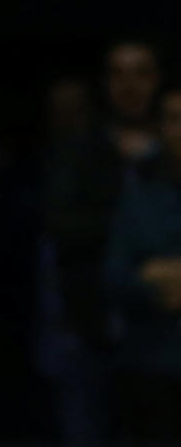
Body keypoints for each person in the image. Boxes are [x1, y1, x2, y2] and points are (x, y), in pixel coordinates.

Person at [36, 38, 163, 445]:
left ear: (158, 79)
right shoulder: (77, 150)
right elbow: (56, 222)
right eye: (118, 73)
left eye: (142, 72)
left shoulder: (171, 148)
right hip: (88, 325)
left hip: (160, 332)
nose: (130, 85)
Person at [103, 79, 181, 445]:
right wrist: (150, 283)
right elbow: (114, 275)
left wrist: (162, 271)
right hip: (150, 370)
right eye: (172, 118)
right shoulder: (139, 192)